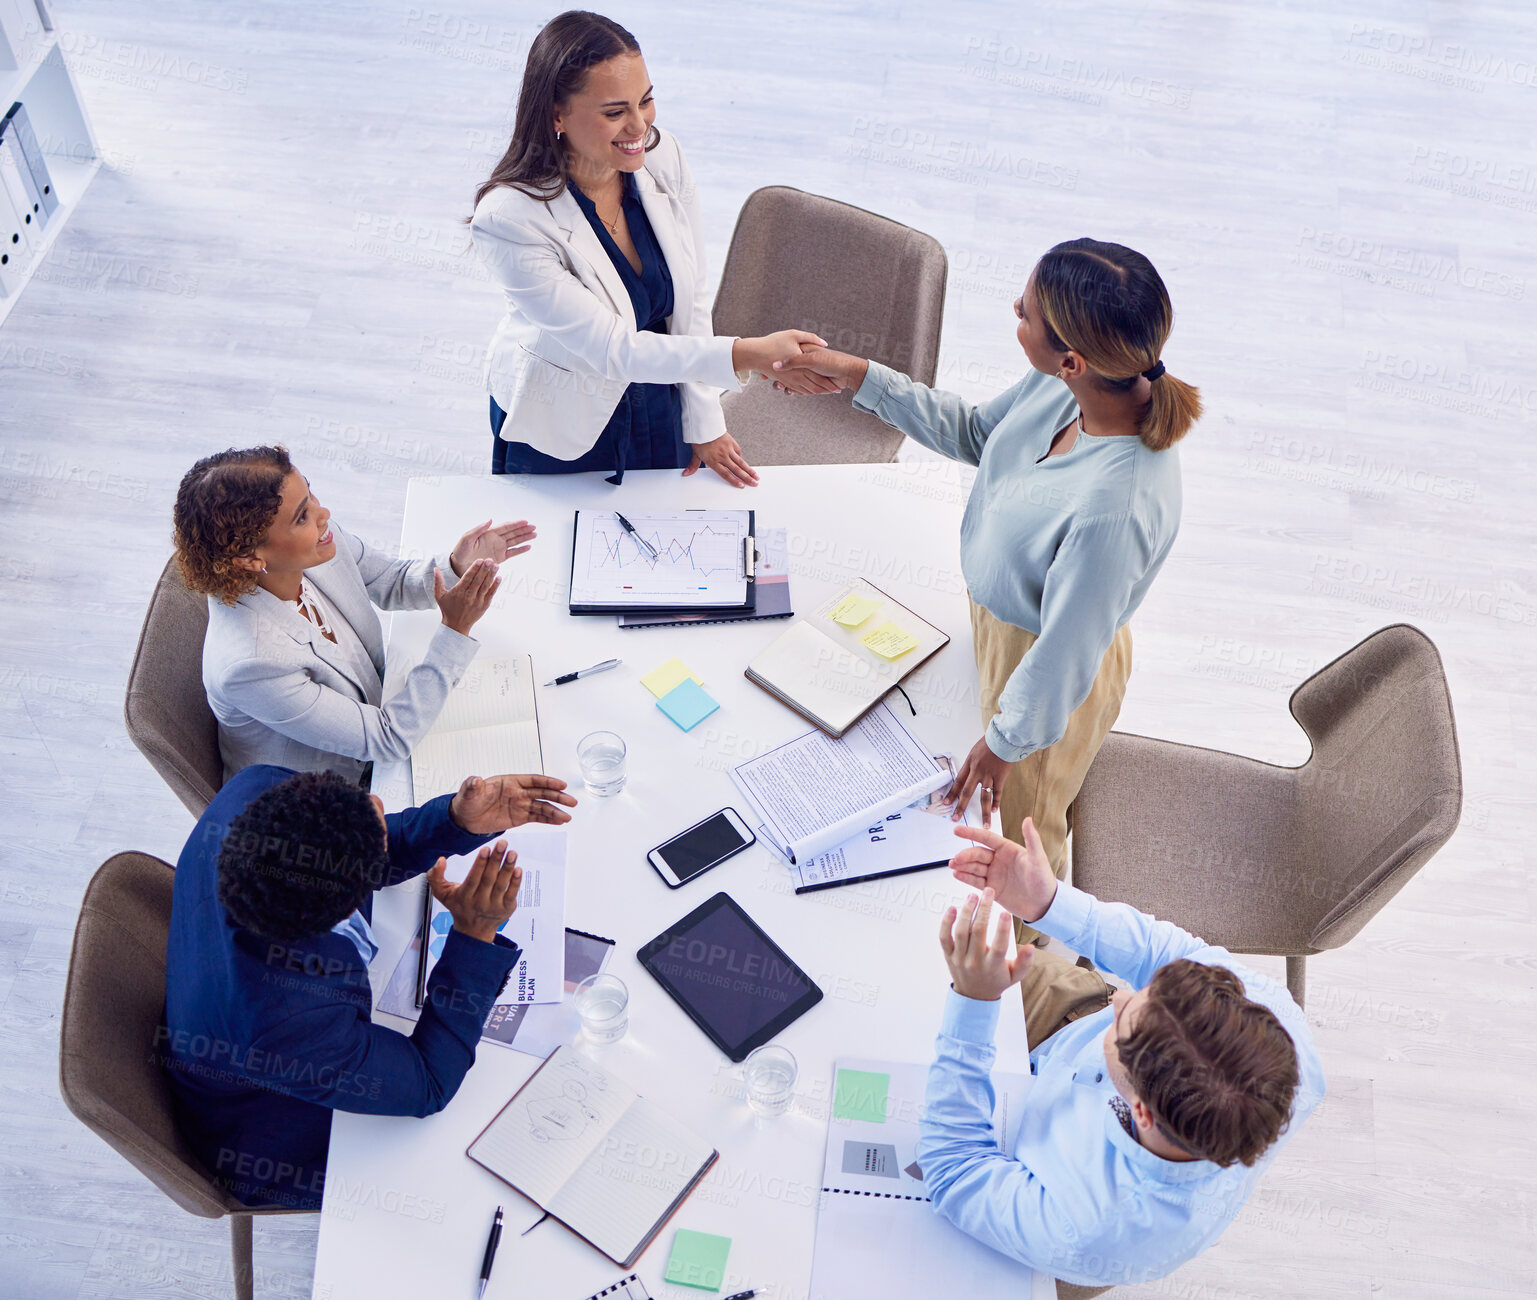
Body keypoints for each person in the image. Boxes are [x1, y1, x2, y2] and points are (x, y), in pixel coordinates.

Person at [773, 238, 1202, 928]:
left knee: (1020, 852)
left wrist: (1004, 748)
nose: (1014, 311)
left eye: (1025, 312)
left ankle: (1033, 982)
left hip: (1045, 670)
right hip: (1004, 628)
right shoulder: (1063, 385)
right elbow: (977, 434)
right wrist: (859, 376)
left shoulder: (1114, 506)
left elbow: (1065, 653)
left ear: (1072, 357)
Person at [918, 816, 1324, 1290]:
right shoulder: (1280, 1023)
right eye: (1143, 994)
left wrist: (976, 1002)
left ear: (1141, 1113)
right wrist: (1049, 904)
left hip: (1002, 1157)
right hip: (1063, 1029)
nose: (1116, 997)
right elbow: (1166, 950)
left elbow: (952, 1170)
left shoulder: (1088, 1229)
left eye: (1124, 1023)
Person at [159, 762, 577, 1210]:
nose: (379, 802)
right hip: (281, 1133)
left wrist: (455, 820)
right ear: (341, 911)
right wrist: (474, 936)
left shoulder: (257, 789)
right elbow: (429, 1082)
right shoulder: (282, 1024)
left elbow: (344, 848)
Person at [468, 10, 832, 484]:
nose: (639, 126)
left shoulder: (662, 156)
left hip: (661, 398)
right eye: (615, 112)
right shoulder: (508, 219)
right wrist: (750, 353)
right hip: (568, 417)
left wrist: (703, 419)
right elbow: (611, 350)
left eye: (647, 100)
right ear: (556, 114)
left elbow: (692, 299)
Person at [175, 445, 536, 786]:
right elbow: (388, 739)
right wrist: (455, 631)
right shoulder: (252, 664)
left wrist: (456, 566)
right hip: (328, 797)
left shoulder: (314, 544)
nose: (323, 514)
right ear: (251, 559)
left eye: (311, 495)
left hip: (380, 728)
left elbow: (389, 579)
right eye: (302, 516)